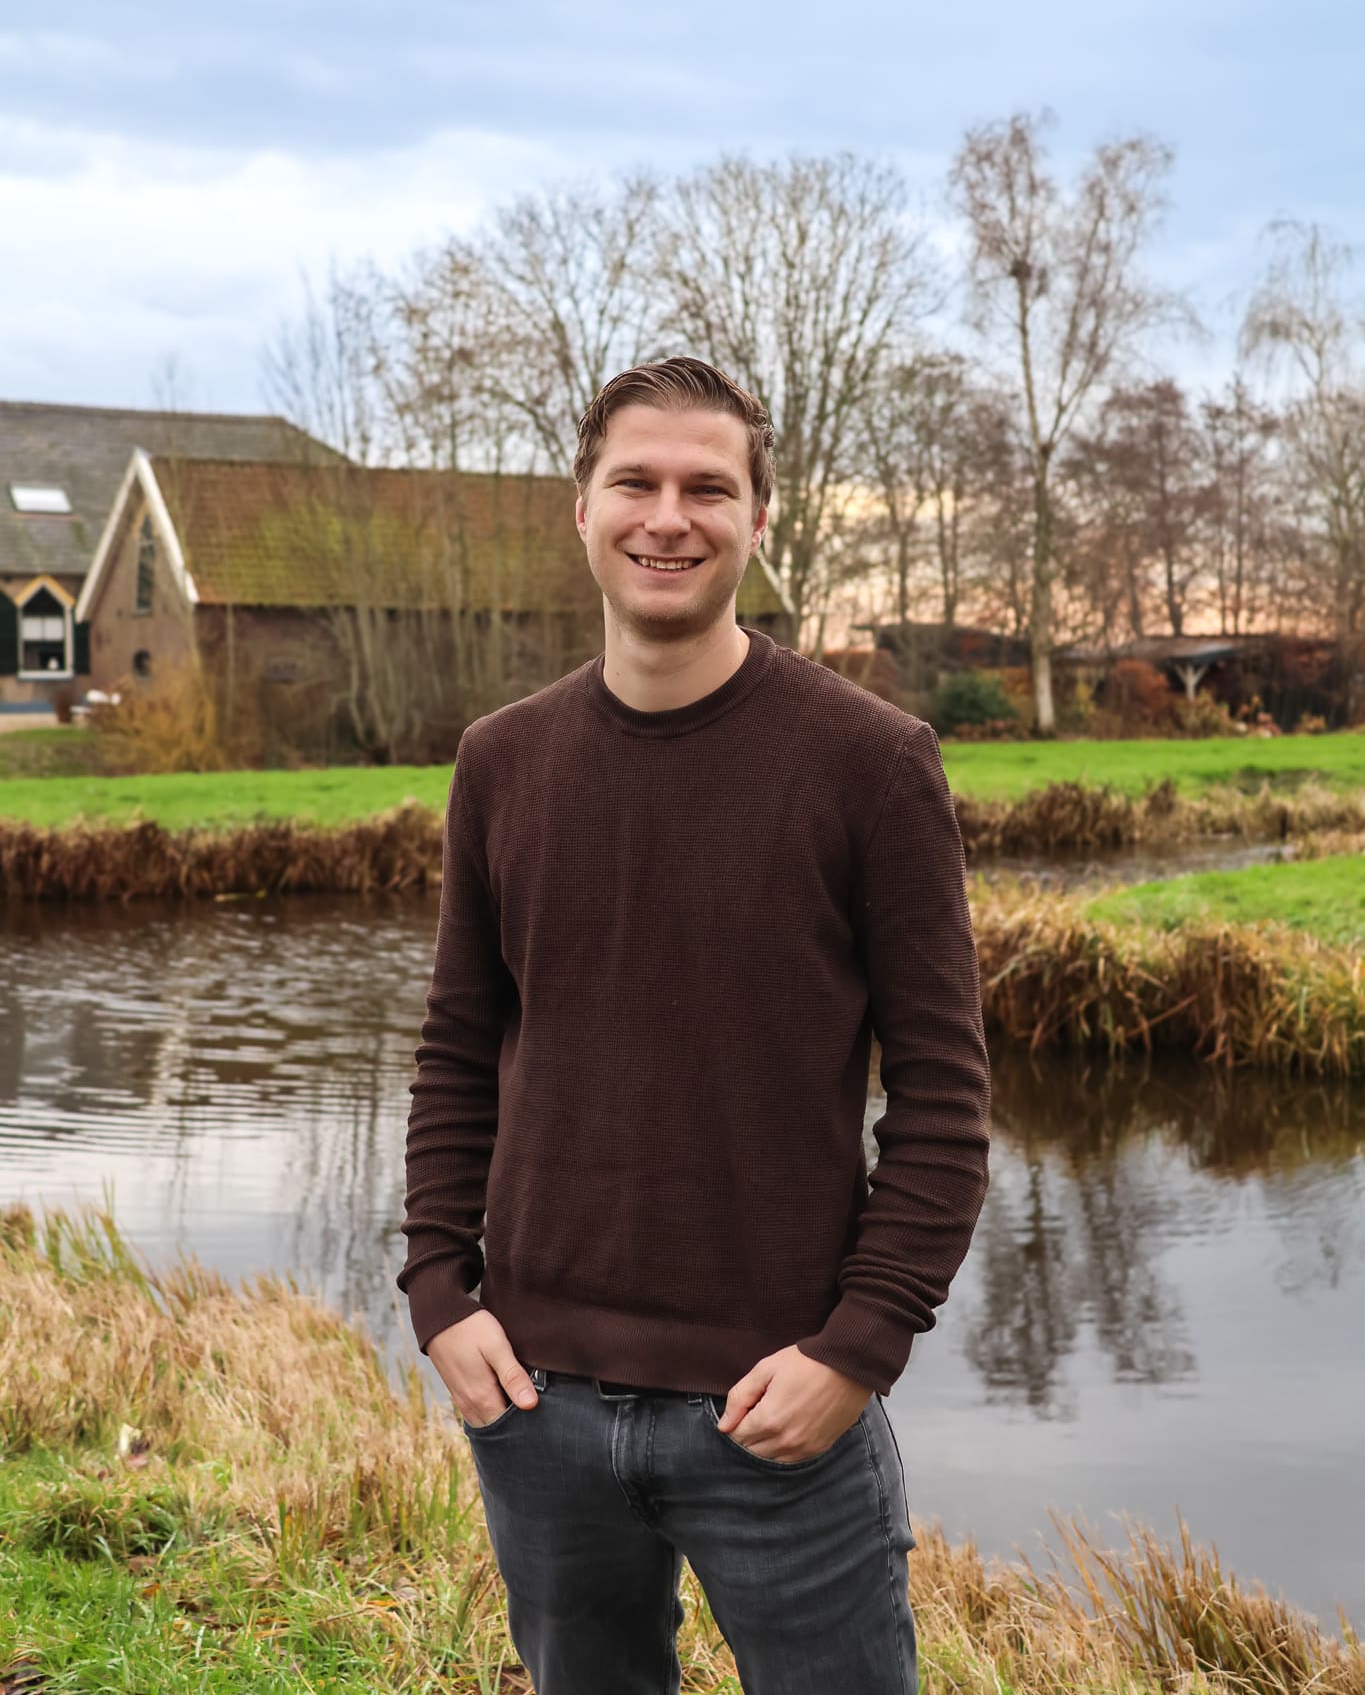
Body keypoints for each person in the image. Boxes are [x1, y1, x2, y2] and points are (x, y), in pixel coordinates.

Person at [397, 355, 991, 1695]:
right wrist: (439, 1293)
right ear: (582, 508)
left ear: (758, 519)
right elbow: (456, 1053)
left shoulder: (870, 761)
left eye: (707, 488)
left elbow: (945, 1101)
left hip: (779, 1409)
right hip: (536, 1405)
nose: (668, 517)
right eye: (637, 483)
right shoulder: (503, 760)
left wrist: (859, 1348)